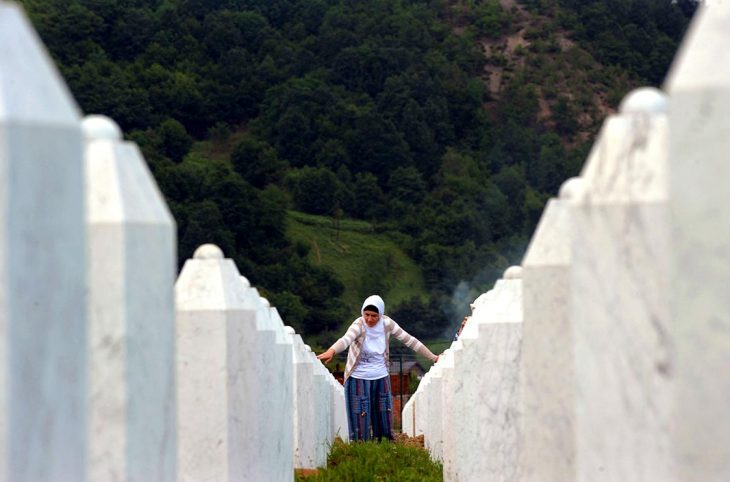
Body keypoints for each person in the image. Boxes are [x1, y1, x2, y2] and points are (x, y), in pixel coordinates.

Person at [317, 295, 440, 442]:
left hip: (380, 376)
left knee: (384, 413)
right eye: (366, 315)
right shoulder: (358, 325)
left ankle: (384, 445)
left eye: (374, 316)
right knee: (360, 415)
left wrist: (433, 357)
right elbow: (346, 339)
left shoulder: (387, 324)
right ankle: (361, 448)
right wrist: (332, 351)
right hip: (358, 376)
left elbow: (410, 340)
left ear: (380, 314)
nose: (369, 319)